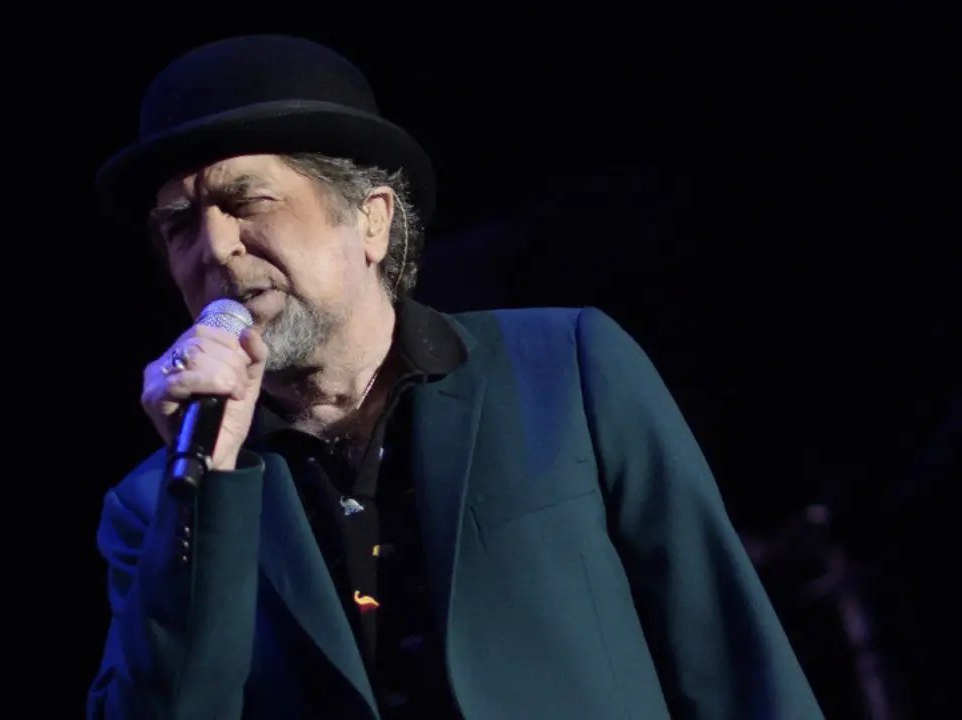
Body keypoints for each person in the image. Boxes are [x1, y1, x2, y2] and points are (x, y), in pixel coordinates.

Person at [87, 34, 821, 720]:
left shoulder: (567, 370)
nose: (212, 247)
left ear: (371, 222)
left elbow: (733, 659)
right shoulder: (157, 504)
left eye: (246, 201)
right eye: (179, 226)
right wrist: (204, 498)